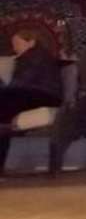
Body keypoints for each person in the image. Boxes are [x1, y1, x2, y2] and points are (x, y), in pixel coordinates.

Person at [0, 29, 65, 172]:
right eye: (13, 44)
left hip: (44, 97)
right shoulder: (34, 55)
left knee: (4, 113)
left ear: (31, 43)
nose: (14, 47)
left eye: (17, 43)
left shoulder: (33, 58)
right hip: (41, 95)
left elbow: (21, 84)